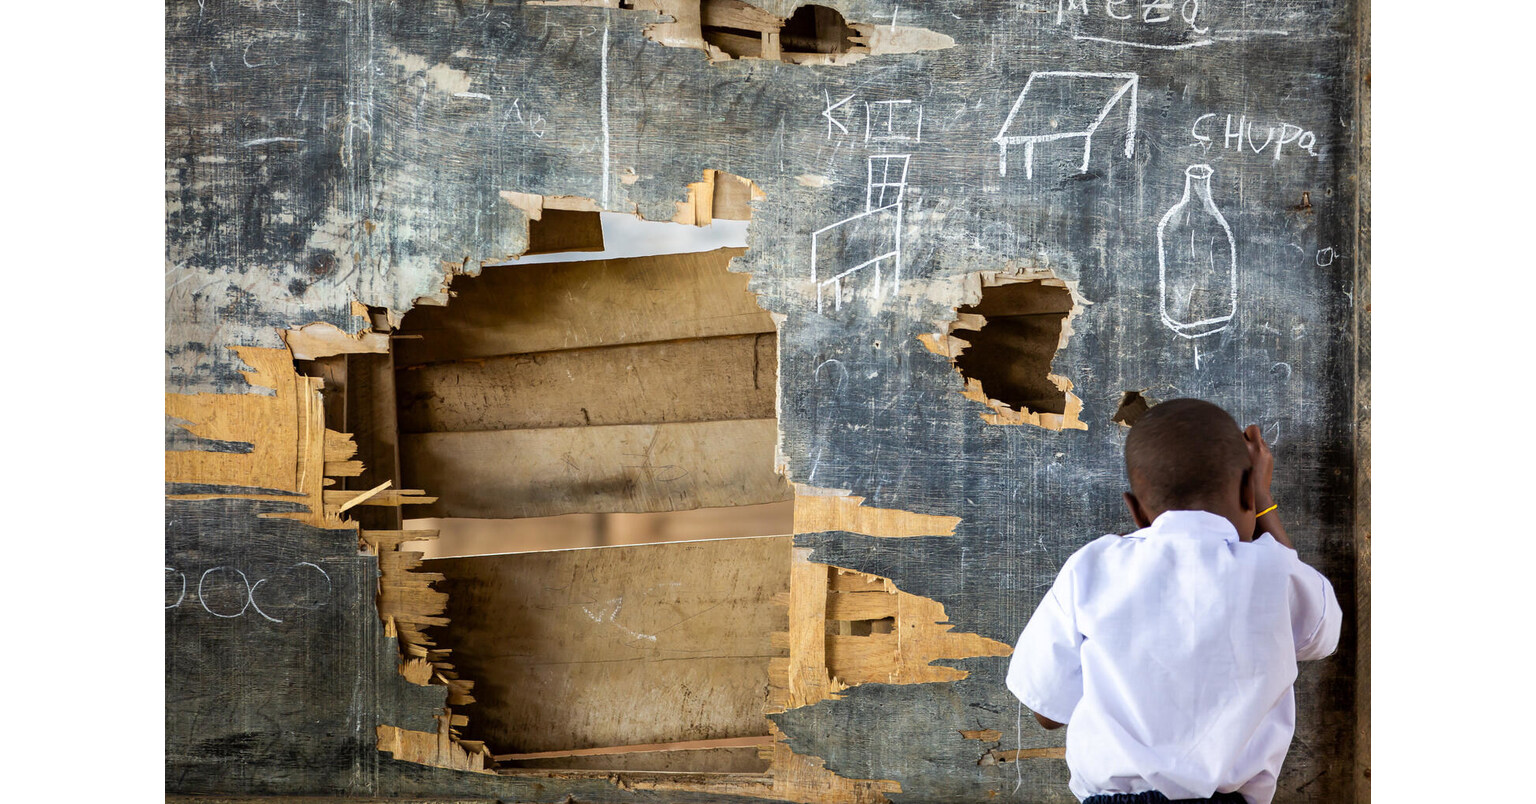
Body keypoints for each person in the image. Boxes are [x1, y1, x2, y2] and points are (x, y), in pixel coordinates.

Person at [1006, 398, 1341, 804]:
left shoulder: (1091, 567)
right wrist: (1263, 500)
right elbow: (1322, 634)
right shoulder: (1274, 571)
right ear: (1248, 493)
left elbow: (1047, 712)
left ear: (1135, 510)